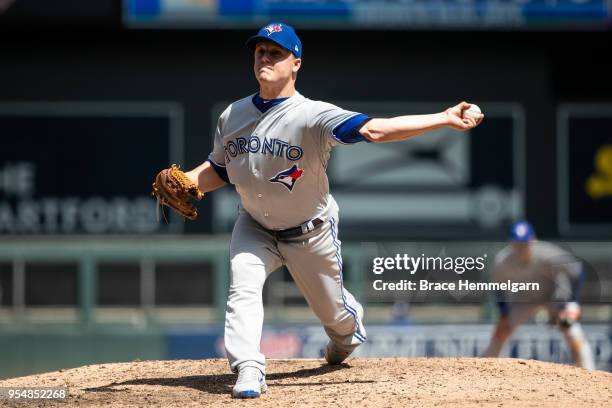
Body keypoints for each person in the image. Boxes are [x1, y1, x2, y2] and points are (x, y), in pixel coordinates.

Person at [184, 22, 484, 398]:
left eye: (276, 52)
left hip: (309, 231)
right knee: (242, 286)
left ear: (296, 63)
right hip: (254, 226)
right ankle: (248, 368)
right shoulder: (232, 115)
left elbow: (377, 130)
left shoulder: (312, 115)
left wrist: (443, 118)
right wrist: (188, 180)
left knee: (336, 319)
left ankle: (345, 334)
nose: (265, 57)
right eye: (260, 51)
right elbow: (221, 169)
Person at [482, 221, 595, 370]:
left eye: (525, 243)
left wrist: (574, 302)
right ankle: (485, 370)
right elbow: (498, 287)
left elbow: (577, 270)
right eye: (518, 243)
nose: (521, 247)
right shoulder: (503, 261)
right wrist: (504, 311)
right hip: (524, 299)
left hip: (553, 297)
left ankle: (590, 372)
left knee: (571, 328)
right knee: (501, 329)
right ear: (510, 243)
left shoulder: (547, 254)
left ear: (533, 240)